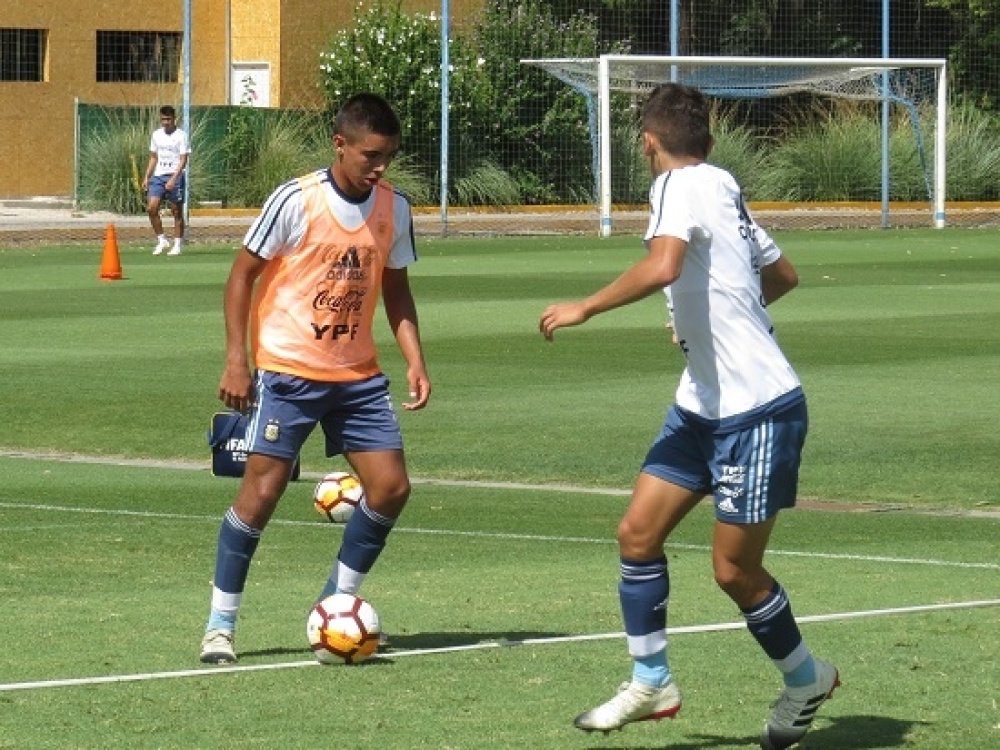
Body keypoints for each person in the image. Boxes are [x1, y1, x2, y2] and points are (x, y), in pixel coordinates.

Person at [538, 82, 839, 750]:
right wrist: (716, 318)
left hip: (757, 411)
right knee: (637, 533)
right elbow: (782, 276)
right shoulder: (723, 188)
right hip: (700, 405)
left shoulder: (676, 186)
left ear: (649, 144)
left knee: (734, 572)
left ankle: (807, 678)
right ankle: (652, 682)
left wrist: (585, 306)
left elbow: (664, 263)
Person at [199, 92, 431, 664]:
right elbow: (240, 277)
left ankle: (335, 603)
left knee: (391, 488)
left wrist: (415, 358)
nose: (380, 167)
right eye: (371, 155)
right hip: (288, 372)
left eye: (389, 156)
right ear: (340, 144)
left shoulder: (395, 208)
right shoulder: (296, 199)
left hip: (357, 377)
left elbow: (397, 289)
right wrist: (236, 359)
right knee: (262, 494)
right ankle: (220, 626)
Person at [142, 105, 190, 256]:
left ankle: (177, 244)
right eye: (163, 119)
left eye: (168, 119)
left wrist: (174, 179)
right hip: (158, 176)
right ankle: (162, 240)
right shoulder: (156, 135)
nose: (166, 122)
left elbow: (183, 159)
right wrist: (147, 176)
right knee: (151, 208)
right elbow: (153, 157)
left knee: (176, 211)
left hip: (175, 175)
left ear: (174, 119)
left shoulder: (181, 136)